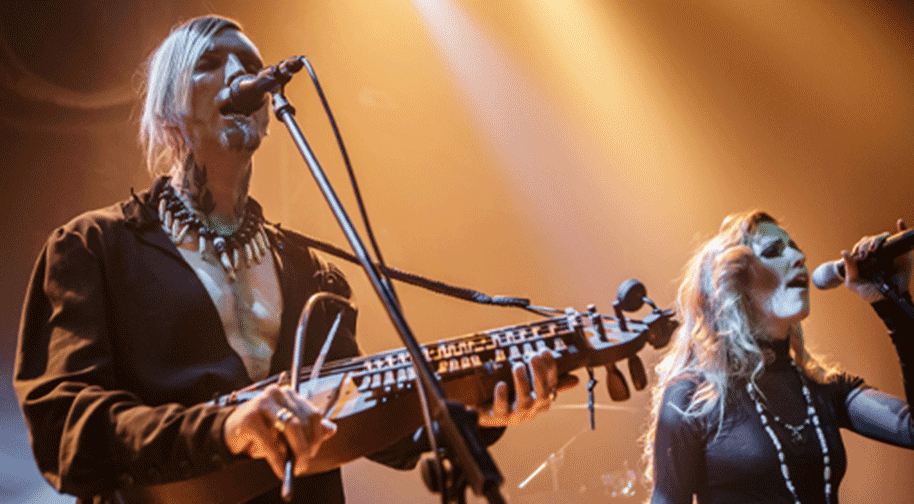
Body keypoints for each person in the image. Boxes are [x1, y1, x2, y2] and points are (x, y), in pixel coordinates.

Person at [14, 15, 566, 504]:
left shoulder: (311, 272)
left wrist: (481, 412)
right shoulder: (93, 247)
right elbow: (66, 429)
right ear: (168, 106)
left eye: (251, 64)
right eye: (209, 62)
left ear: (268, 116)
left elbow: (376, 428)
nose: (239, 73)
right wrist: (222, 430)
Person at [644, 210, 914, 503]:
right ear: (735, 282)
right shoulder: (690, 396)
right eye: (773, 251)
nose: (799, 258)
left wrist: (893, 304)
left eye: (797, 249)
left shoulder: (822, 389)